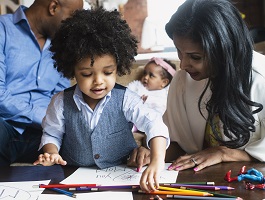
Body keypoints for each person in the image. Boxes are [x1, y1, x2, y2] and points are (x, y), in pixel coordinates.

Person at [128, 0, 265, 171]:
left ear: (225, 50)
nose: (183, 65)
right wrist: (156, 153)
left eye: (195, 57)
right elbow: (183, 146)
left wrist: (225, 153)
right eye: (179, 52)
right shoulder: (183, 80)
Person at [32, 8, 169, 192]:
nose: (98, 81)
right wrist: (52, 153)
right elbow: (51, 134)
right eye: (87, 74)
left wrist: (157, 161)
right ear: (72, 70)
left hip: (121, 176)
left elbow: (154, 124)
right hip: (73, 178)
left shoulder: (126, 98)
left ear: (118, 67)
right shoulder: (60, 102)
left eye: (108, 72)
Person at [0, 0, 83, 166]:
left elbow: (62, 97)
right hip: (5, 127)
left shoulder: (61, 46)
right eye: (71, 17)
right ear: (53, 8)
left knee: (81, 142)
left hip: (44, 135)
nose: (73, 26)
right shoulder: (3, 29)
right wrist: (44, 118)